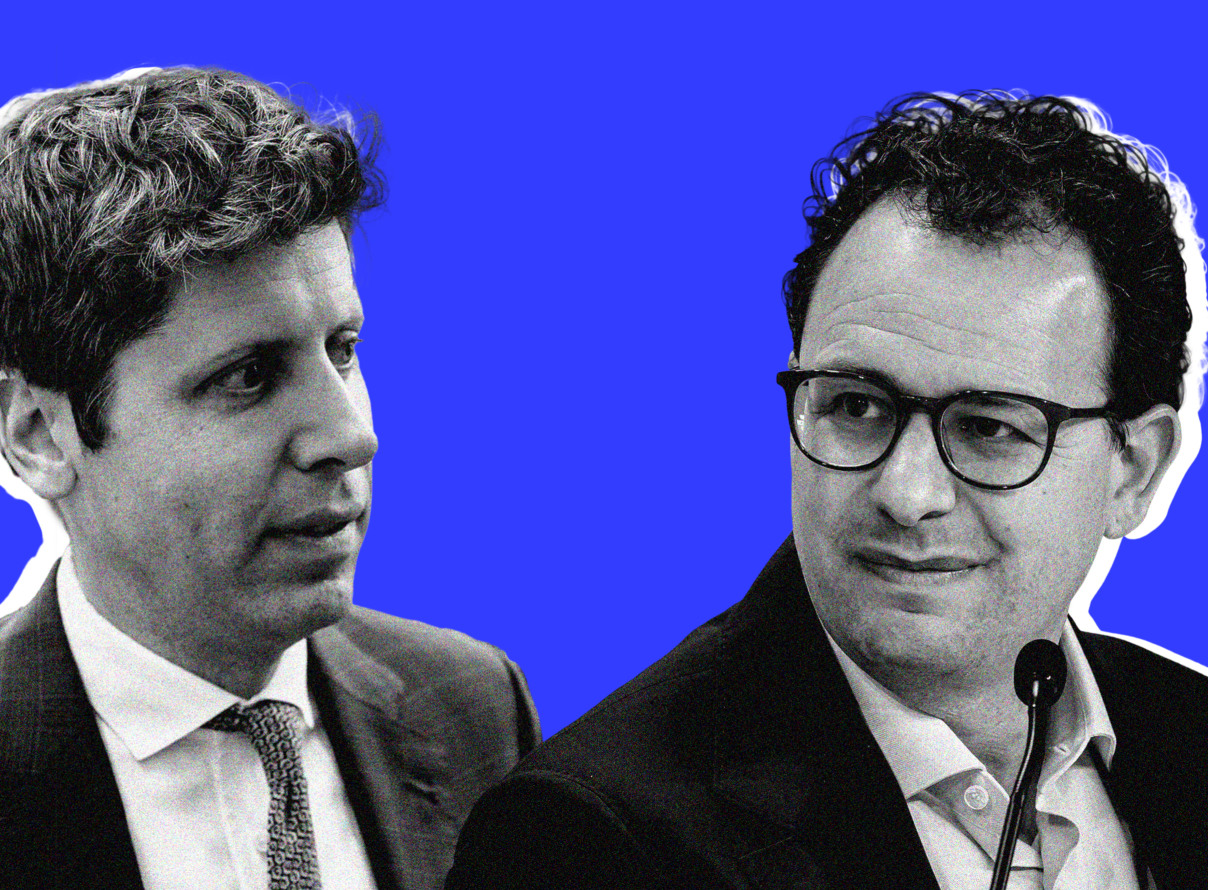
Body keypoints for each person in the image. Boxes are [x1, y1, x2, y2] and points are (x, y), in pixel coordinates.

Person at [446, 92, 1208, 889]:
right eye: (856, 407)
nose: (906, 494)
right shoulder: (582, 838)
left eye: (989, 427)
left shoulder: (1191, 738)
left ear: (1136, 470)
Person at [0, 67, 538, 890]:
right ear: (39, 434)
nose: (351, 437)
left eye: (343, 350)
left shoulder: (472, 707)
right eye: (248, 376)